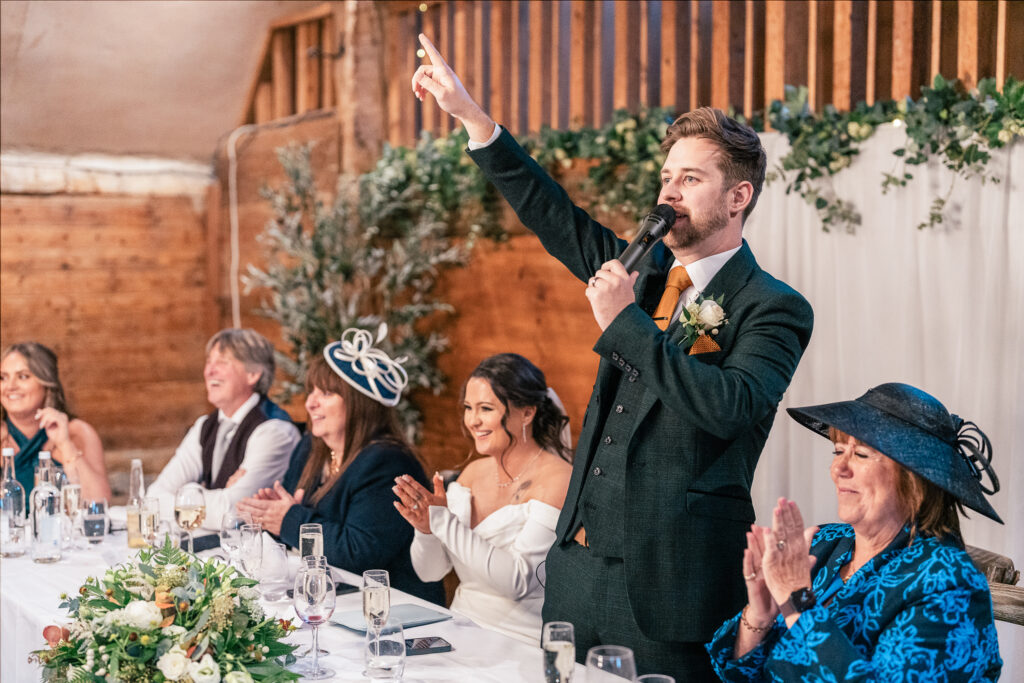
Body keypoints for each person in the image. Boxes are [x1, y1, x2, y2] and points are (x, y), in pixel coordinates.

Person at [411, 34, 813, 675]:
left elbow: (730, 407)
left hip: (671, 583)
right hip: (575, 572)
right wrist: (473, 119)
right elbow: (555, 217)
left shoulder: (774, 306)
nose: (669, 192)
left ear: (738, 197)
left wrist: (624, 321)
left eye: (690, 179)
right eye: (666, 177)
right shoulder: (645, 269)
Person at [707, 382, 1003, 681]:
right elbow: (740, 676)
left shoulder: (949, 581)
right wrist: (760, 616)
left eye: (861, 454)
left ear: (915, 479)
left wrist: (797, 603)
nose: (838, 468)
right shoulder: (822, 542)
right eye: (838, 450)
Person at [237, 327, 445, 605]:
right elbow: (292, 516)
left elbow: (358, 553)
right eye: (311, 391)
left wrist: (289, 519)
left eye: (326, 393)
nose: (311, 403)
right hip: (331, 597)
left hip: (391, 609)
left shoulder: (387, 461)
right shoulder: (312, 447)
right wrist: (274, 513)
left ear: (360, 402)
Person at [393, 353, 573, 644]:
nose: (473, 421)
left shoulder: (558, 479)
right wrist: (426, 528)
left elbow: (518, 581)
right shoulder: (472, 474)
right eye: (468, 408)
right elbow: (430, 572)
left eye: (486, 409)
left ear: (527, 413)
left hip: (521, 643)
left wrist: (443, 521)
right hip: (456, 630)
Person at [148, 328, 300, 531]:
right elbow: (152, 499)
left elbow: (232, 512)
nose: (209, 371)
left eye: (221, 362)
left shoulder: (274, 431)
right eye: (209, 362)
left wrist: (189, 494)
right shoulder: (204, 425)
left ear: (253, 374)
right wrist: (198, 492)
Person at [1, 342, 111, 502]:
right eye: (3, 377)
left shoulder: (78, 432)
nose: (10, 386)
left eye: (23, 376)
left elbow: (98, 502)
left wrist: (65, 444)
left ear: (46, 383)